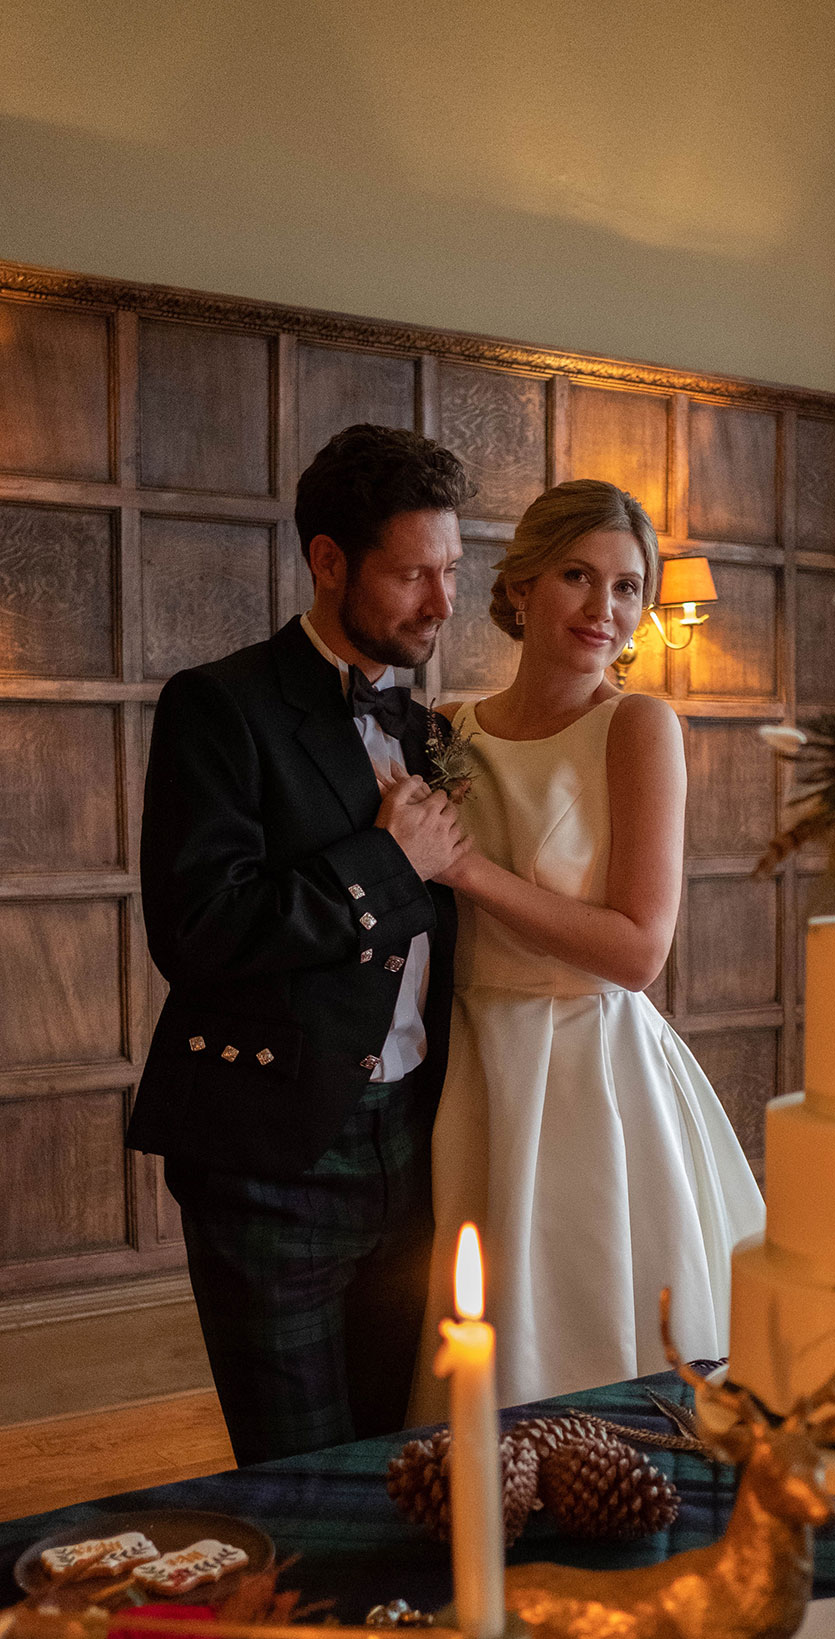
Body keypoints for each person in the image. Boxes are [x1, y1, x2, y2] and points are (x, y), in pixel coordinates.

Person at [127, 424, 473, 1464]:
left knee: (397, 1451)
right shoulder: (219, 707)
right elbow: (200, 928)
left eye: (452, 570)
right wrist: (384, 861)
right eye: (413, 573)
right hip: (271, 1151)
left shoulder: (430, 732)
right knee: (298, 1470)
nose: (442, 603)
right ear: (329, 561)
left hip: (417, 1144)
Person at [407, 480, 766, 1422]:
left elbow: (640, 951)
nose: (603, 610)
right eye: (577, 576)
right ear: (521, 585)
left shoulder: (639, 727)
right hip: (476, 1069)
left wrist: (470, 871)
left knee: (599, 1334)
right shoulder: (449, 732)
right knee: (481, 1346)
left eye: (626, 588)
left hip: (596, 1077)